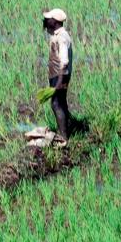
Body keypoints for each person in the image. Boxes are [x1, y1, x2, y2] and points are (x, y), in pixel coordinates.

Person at [43, 8, 73, 146]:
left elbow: (64, 61)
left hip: (61, 75)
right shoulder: (57, 35)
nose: (45, 21)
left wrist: (59, 82)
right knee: (61, 102)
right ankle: (67, 129)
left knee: (56, 104)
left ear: (54, 22)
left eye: (48, 19)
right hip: (57, 74)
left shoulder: (61, 37)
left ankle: (64, 138)